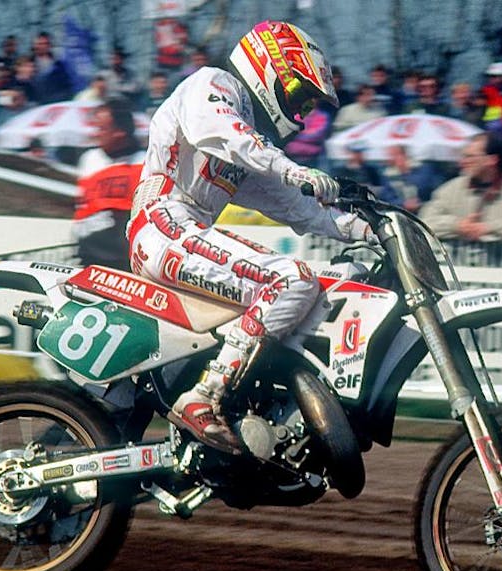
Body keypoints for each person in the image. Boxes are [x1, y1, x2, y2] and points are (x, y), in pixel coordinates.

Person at [127, 20, 377, 454]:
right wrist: (294, 169)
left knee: (322, 286)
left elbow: (297, 207)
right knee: (292, 280)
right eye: (299, 97)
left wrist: (372, 230)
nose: (301, 115)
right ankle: (205, 397)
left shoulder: (246, 153)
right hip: (162, 222)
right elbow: (225, 133)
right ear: (270, 69)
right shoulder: (213, 85)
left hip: (181, 233)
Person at [417, 133, 502, 241]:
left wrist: (489, 228)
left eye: (470, 157)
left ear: (492, 159)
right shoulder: (451, 188)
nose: (463, 162)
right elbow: (423, 222)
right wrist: (457, 225)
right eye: (464, 156)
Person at [73, 99, 144, 271]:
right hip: (87, 256)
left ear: (120, 132)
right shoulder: (89, 159)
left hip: (124, 260)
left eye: (102, 129)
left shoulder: (144, 162)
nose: (96, 134)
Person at [377, 144, 440, 212]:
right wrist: (403, 203)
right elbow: (386, 197)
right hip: (400, 210)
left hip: (425, 208)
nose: (389, 159)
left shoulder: (423, 169)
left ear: (403, 155)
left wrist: (406, 172)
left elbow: (430, 188)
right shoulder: (387, 175)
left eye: (392, 155)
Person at [284, 100, 332, 168]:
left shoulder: (322, 116)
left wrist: (296, 134)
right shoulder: (296, 114)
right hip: (288, 156)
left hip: (312, 159)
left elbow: (316, 135)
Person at [31, 31, 73, 104]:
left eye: (45, 43)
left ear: (50, 45)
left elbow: (66, 86)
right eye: (39, 44)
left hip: (56, 102)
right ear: (34, 45)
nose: (42, 46)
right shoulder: (28, 64)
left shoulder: (59, 65)